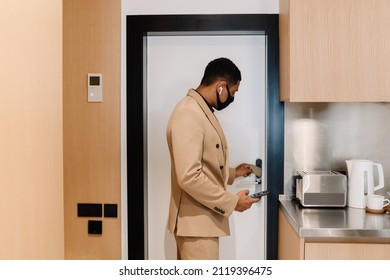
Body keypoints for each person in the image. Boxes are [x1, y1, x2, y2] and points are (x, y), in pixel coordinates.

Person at [166, 57, 260, 260]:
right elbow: (189, 176)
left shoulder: (198, 109)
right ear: (220, 87)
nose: (232, 98)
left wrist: (234, 173)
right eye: (232, 92)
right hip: (195, 225)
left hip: (200, 224)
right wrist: (232, 202)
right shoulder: (189, 113)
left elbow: (203, 163)